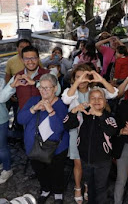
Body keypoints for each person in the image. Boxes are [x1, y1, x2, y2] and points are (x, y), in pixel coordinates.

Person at [61, 64, 118, 204]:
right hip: (80, 134)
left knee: (100, 186)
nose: (96, 100)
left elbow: (113, 93)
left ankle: (89, 189)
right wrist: (75, 110)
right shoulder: (72, 92)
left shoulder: (95, 92)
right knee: (80, 164)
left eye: (84, 77)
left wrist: (101, 79)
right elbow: (66, 102)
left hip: (101, 153)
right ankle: (80, 187)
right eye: (78, 77)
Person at [17, 74, 69, 204]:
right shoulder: (33, 101)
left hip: (56, 149)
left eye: (47, 88)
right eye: (41, 87)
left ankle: (58, 193)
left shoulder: (62, 105)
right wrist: (33, 109)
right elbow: (20, 119)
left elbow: (58, 130)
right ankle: (45, 189)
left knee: (57, 172)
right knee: (40, 171)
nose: (43, 91)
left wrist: (51, 111)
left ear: (55, 88)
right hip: (34, 146)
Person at [0, 46, 60, 110]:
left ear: (38, 59)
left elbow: (57, 92)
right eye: (26, 59)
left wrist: (36, 83)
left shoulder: (49, 74)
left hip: (45, 117)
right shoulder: (17, 76)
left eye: (33, 58)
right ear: (22, 60)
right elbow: (1, 99)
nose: (30, 61)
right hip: (24, 117)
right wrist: (12, 86)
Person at [0, 78, 11, 184]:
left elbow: (2, 98)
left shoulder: (1, 81)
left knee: (2, 147)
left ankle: (7, 169)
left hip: (1, 119)